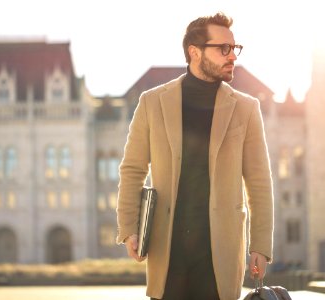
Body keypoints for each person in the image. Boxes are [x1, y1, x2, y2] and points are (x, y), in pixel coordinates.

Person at [116, 12, 274, 300]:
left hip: (220, 253)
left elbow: (259, 182)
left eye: (235, 48)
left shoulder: (246, 108)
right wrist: (129, 228)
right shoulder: (152, 102)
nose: (232, 56)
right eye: (223, 48)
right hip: (167, 249)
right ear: (194, 52)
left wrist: (260, 246)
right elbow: (133, 169)